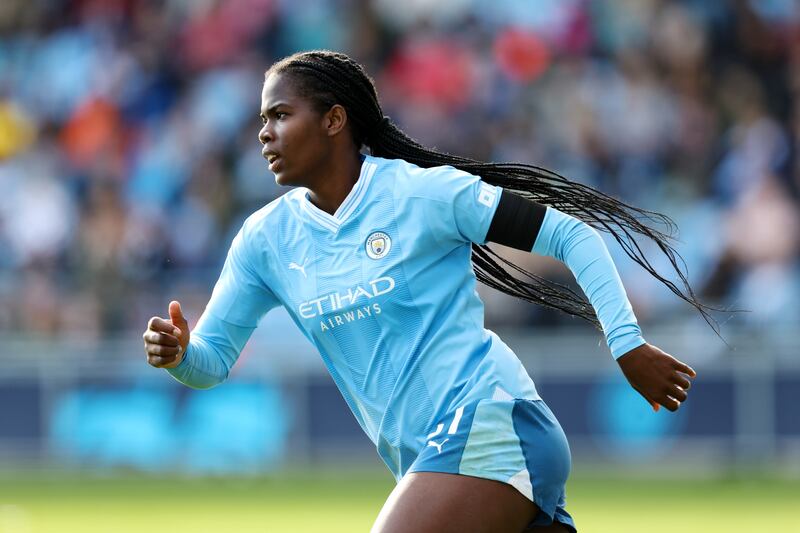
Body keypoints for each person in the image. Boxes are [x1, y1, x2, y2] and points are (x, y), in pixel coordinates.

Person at [143, 51, 705, 532]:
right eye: (262, 119)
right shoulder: (265, 240)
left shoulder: (422, 196)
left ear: (335, 120)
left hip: (496, 424)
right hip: (433, 461)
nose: (264, 133)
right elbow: (211, 363)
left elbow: (570, 233)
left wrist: (626, 343)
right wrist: (178, 355)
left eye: (281, 115)